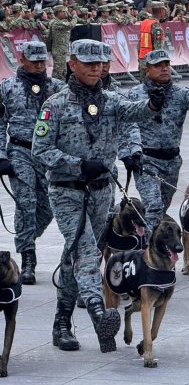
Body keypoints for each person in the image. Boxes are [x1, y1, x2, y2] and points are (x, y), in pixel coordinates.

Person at [32, 39, 164, 353]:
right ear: (72, 64)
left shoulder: (111, 100)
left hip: (101, 192)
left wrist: (153, 104)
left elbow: (136, 112)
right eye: (89, 63)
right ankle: (99, 314)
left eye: (100, 64)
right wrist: (77, 164)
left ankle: (62, 323)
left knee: (74, 256)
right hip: (67, 191)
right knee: (87, 252)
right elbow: (41, 149)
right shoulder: (55, 104)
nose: (96, 69)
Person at [0, 42, 67, 285]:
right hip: (20, 151)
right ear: (22, 60)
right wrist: (1, 155)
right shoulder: (7, 87)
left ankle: (25, 238)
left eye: (42, 61)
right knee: (26, 203)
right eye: (34, 61)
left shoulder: (58, 88)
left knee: (49, 207)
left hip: (49, 155)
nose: (39, 65)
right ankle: (28, 258)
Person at [127, 50, 189, 231]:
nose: (164, 69)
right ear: (147, 69)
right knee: (154, 205)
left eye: (167, 65)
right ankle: (146, 248)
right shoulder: (134, 95)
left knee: (162, 207)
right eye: (158, 66)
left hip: (172, 161)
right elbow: (125, 124)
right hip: (146, 160)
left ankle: (147, 239)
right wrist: (129, 153)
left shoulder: (180, 93)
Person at [138, 1, 167, 81]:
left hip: (143, 59)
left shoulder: (145, 23)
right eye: (164, 10)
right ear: (161, 11)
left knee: (142, 87)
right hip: (152, 62)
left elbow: (139, 44)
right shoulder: (156, 26)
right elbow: (158, 49)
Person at [48, 5, 78, 80]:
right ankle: (56, 87)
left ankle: (61, 86)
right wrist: (74, 16)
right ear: (60, 12)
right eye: (64, 12)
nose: (66, 13)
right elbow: (71, 25)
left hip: (61, 50)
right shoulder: (57, 23)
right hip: (59, 50)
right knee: (58, 72)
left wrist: (69, 15)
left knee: (63, 71)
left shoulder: (58, 22)